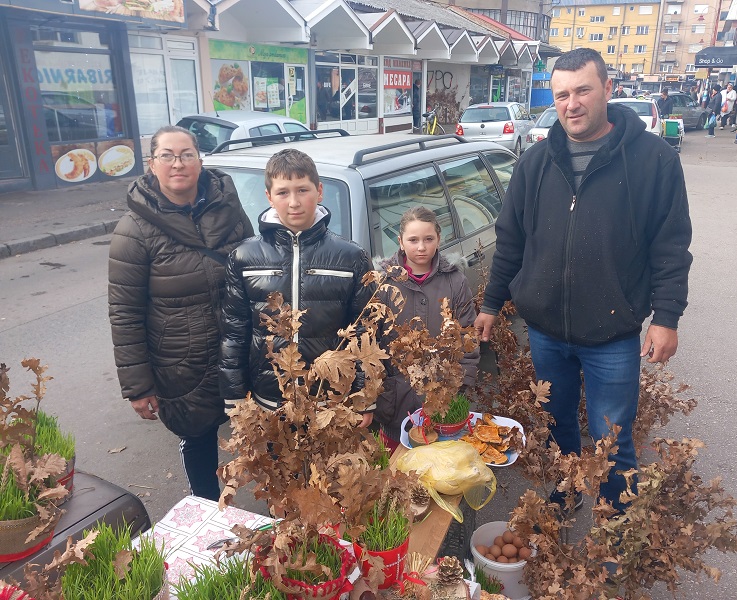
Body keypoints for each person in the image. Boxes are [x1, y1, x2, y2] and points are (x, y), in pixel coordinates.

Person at [473, 48, 692, 513]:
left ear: (608, 90)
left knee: (612, 440)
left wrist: (666, 317)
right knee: (557, 425)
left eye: (583, 91)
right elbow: (510, 240)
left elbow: (670, 245)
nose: (571, 104)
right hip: (546, 330)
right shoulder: (534, 163)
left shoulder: (653, 161)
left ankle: (614, 534)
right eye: (561, 95)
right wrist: (492, 303)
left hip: (611, 335)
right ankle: (568, 488)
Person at [108, 125, 254, 501]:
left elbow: (257, 275)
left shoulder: (231, 211)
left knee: (258, 434)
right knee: (199, 438)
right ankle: (205, 513)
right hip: (181, 362)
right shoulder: (134, 231)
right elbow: (124, 313)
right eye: (168, 156)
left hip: (238, 353)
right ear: (152, 164)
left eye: (187, 154)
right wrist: (138, 386)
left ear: (200, 161)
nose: (178, 163)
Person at [219, 149, 375, 425]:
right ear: (268, 196)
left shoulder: (351, 257)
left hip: (331, 403)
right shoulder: (244, 257)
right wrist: (234, 399)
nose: (294, 202)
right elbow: (234, 331)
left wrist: (364, 396)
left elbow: (364, 333)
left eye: (303, 190)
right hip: (268, 402)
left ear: (319, 191)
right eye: (282, 192)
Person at [373, 207, 479, 451]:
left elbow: (467, 337)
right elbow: (371, 341)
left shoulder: (454, 281)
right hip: (394, 399)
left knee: (439, 469)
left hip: (441, 398)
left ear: (439, 240)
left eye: (428, 239)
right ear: (400, 242)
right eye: (413, 240)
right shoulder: (384, 282)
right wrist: (378, 390)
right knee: (397, 468)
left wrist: (458, 387)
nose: (421, 247)